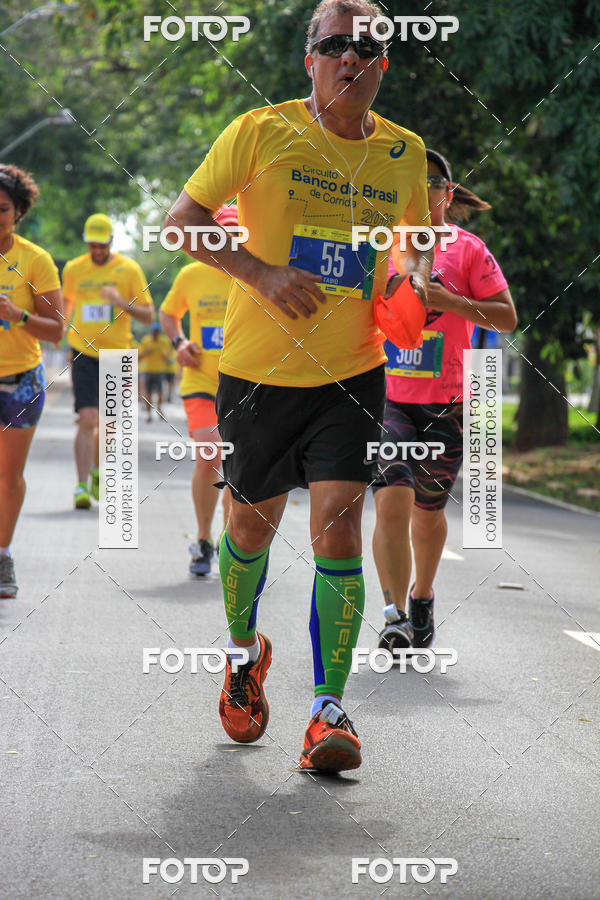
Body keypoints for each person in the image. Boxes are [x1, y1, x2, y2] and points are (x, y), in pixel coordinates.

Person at [164, 0, 433, 772]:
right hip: (256, 376)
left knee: (337, 534)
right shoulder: (261, 131)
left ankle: (327, 711)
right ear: (309, 59)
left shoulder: (406, 154)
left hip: (352, 374)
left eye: (370, 47)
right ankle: (244, 654)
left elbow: (412, 248)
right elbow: (181, 222)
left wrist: (410, 286)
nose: (354, 57)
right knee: (248, 531)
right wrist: (260, 272)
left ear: (384, 64)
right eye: (337, 44)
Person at [372, 149, 517, 651]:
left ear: (447, 194)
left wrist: (451, 302)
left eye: (433, 181)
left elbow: (506, 318)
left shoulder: (469, 249)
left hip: (447, 402)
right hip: (385, 397)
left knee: (428, 513)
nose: (424, 187)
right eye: (414, 179)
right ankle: (392, 615)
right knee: (392, 499)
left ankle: (422, 595)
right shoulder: (379, 245)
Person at [160, 206, 237, 577]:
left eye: (239, 236)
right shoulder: (192, 274)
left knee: (240, 465)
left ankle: (231, 540)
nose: (231, 243)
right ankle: (204, 540)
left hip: (247, 385)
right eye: (223, 236)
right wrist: (179, 341)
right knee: (211, 451)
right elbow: (168, 312)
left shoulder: (256, 276)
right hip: (201, 381)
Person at [0, 165, 64, 598]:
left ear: (18, 211)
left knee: (7, 477)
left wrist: (17, 315)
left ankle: (3, 556)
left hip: (20, 382)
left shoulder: (34, 259)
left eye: (2, 208)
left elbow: (56, 330)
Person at [62, 214, 154, 509]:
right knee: (87, 418)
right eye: (92, 246)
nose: (97, 251)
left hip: (117, 354)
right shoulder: (75, 269)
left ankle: (98, 471)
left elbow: (149, 315)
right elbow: (66, 306)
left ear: (111, 241)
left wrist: (120, 302)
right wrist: (58, 328)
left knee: (110, 424)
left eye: (102, 245)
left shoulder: (129, 270)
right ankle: (80, 485)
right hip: (83, 351)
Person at [138, 322, 171, 422]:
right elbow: (139, 357)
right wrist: (147, 352)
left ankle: (159, 409)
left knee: (160, 393)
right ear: (151, 332)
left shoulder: (164, 341)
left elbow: (168, 355)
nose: (155, 334)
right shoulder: (146, 341)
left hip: (160, 371)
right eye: (153, 332)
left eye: (157, 332)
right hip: (148, 371)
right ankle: (148, 414)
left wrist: (164, 355)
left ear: (159, 332)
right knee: (148, 394)